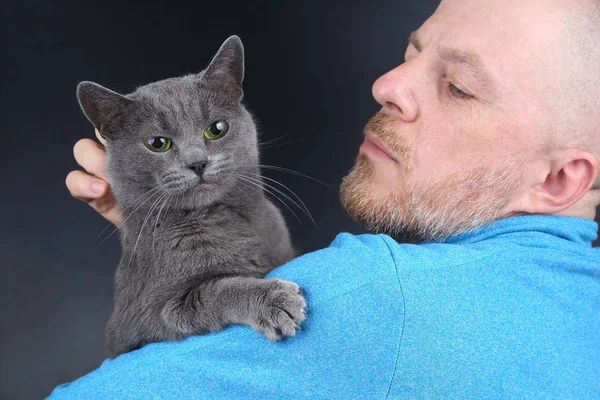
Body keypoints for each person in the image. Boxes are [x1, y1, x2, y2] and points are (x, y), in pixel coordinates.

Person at [56, 0, 600, 398]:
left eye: (458, 86)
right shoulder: (579, 305)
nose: (386, 84)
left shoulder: (379, 296)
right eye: (409, 54)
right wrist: (156, 242)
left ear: (558, 180)